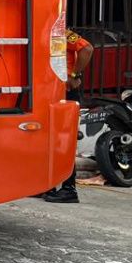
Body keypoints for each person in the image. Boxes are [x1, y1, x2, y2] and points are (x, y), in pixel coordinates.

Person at [42, 28, 93, 204]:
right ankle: (47, 185)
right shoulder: (46, 31)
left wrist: (74, 75)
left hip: (67, 92)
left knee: (64, 140)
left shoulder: (61, 32)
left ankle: (68, 189)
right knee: (51, 140)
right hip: (53, 92)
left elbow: (87, 49)